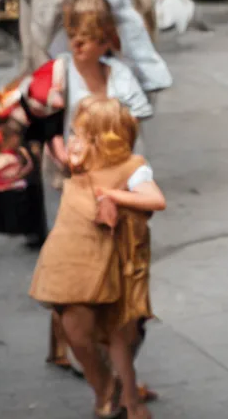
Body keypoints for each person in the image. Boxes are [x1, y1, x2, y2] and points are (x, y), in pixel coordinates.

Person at [30, 96, 165, 419]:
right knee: (75, 332)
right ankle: (107, 388)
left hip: (112, 266)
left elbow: (155, 199)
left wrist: (113, 195)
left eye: (85, 135)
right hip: (68, 261)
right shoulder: (82, 162)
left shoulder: (131, 167)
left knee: (118, 336)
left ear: (106, 138)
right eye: (77, 133)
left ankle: (128, 400)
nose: (78, 141)